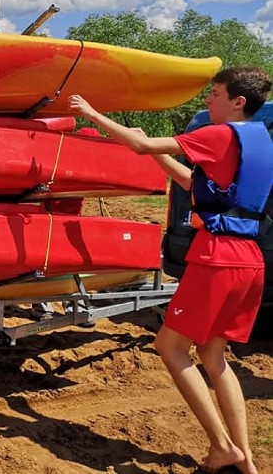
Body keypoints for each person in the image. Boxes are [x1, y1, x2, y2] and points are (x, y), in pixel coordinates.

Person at [68, 66, 272, 474]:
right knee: (215, 357)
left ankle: (221, 447)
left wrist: (92, 114)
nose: (207, 101)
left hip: (217, 258)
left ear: (238, 102)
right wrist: (153, 148)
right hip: (249, 259)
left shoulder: (219, 134)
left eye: (214, 93)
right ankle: (245, 461)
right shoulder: (261, 140)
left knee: (169, 347)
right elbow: (190, 182)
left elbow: (142, 150)